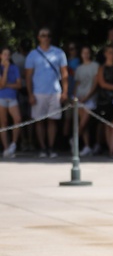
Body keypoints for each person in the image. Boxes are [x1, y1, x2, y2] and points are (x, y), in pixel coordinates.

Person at [24, 27, 68, 158]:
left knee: (53, 120)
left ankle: (51, 147)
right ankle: (42, 147)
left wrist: (64, 92)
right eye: (43, 35)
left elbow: (64, 74)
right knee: (39, 121)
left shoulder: (59, 53)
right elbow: (28, 77)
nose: (46, 37)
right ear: (38, 37)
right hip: (38, 92)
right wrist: (30, 94)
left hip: (55, 92)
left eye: (48, 35)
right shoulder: (32, 54)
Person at [73, 45, 99, 156]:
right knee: (84, 124)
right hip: (80, 98)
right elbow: (77, 84)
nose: (86, 54)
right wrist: (75, 97)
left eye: (87, 52)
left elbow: (95, 83)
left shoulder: (95, 66)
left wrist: (87, 97)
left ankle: (74, 140)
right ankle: (87, 146)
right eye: (84, 52)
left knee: (83, 123)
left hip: (90, 99)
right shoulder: (79, 68)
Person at [1, 47, 24, 158]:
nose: (7, 57)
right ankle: (6, 148)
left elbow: (19, 85)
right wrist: (5, 70)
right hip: (1, 97)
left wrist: (7, 85)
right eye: (4, 54)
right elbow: (1, 85)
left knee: (17, 119)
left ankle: (13, 144)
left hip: (12, 96)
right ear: (1, 56)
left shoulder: (14, 68)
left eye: (8, 55)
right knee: (3, 122)